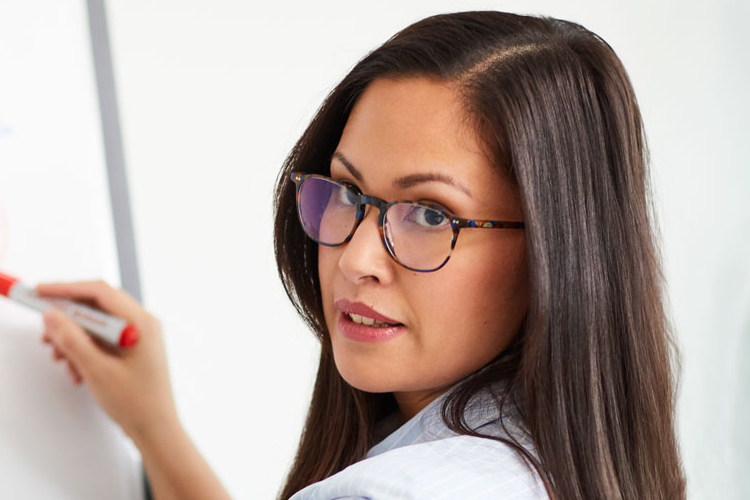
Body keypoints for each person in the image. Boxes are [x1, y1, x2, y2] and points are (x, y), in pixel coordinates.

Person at [37, 10, 686, 500]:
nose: (356, 257)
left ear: (554, 253)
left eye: (431, 213)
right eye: (347, 191)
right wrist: (156, 430)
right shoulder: (569, 463)